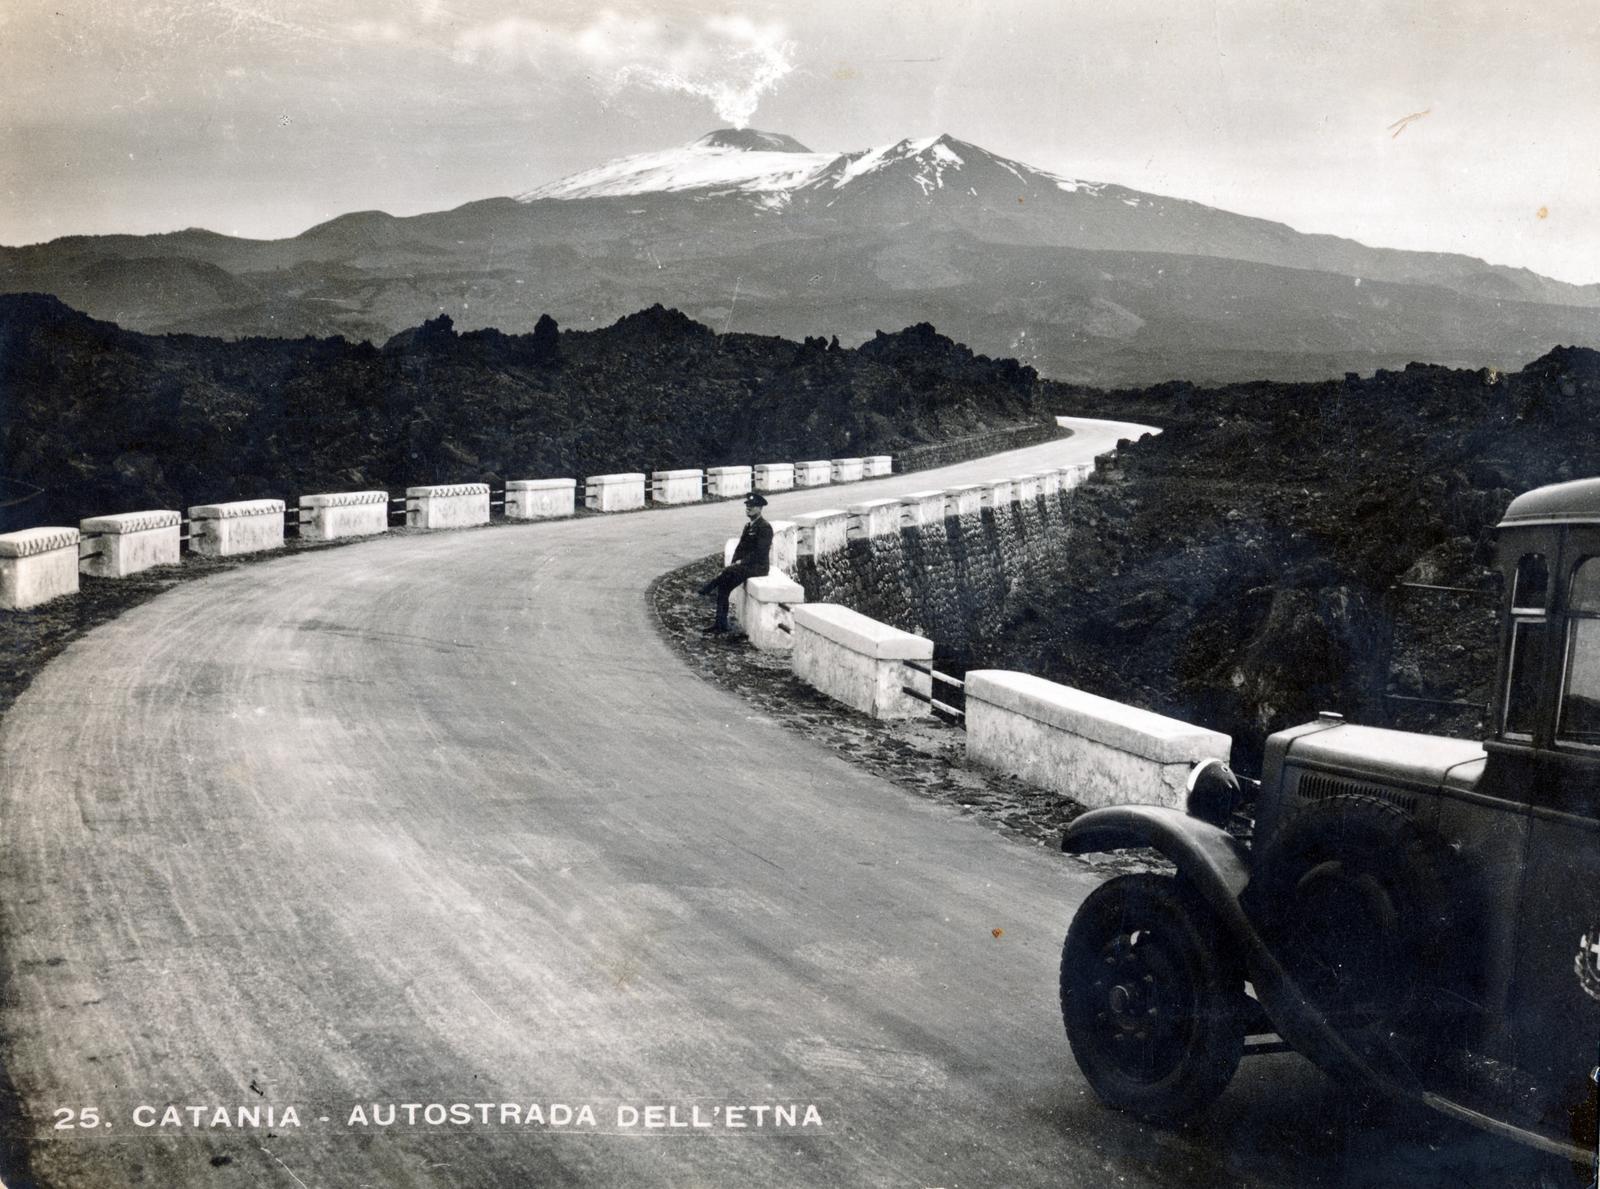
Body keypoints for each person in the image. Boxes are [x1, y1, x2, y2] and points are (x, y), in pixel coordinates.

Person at [698, 493, 772, 634]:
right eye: (747, 505)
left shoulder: (765, 527)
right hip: (746, 566)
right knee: (724, 588)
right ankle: (720, 624)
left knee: (726, 577)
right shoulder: (748, 526)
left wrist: (740, 562)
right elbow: (740, 548)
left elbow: (760, 552)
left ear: (760, 508)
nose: (748, 508)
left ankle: (708, 588)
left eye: (752, 506)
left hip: (758, 568)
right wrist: (735, 562)